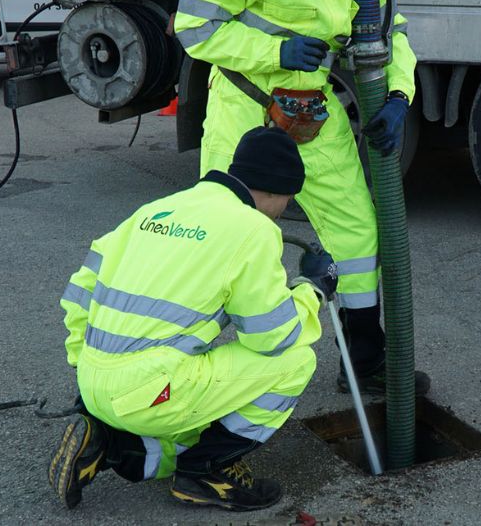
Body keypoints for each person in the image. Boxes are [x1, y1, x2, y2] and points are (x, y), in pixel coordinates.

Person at [173, 0, 430, 396]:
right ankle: (186, 370)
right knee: (227, 241)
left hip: (313, 112)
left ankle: (362, 361)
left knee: (357, 234)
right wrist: (274, 53)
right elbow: (191, 28)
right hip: (245, 112)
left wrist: (400, 97)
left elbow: (390, 35)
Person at [48, 127, 339, 512]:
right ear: (275, 189)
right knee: (295, 362)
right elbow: (275, 337)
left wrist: (85, 365)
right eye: (287, 200)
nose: (283, 211)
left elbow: (80, 295)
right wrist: (311, 290)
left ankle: (108, 445)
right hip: (149, 391)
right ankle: (205, 472)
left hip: (91, 381)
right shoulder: (253, 230)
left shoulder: (154, 211)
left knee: (191, 414)